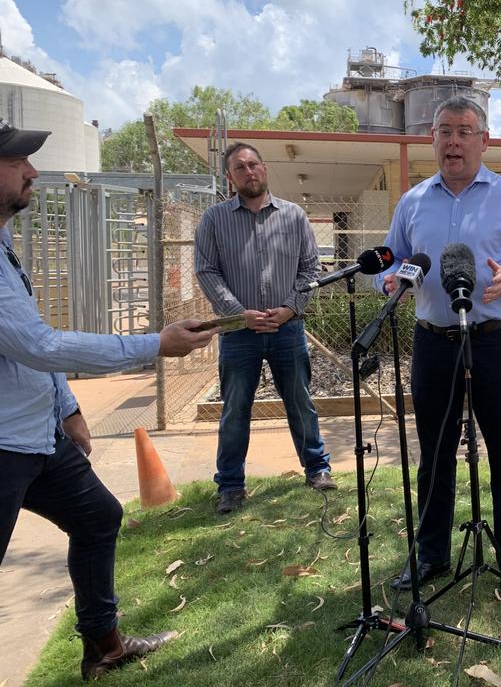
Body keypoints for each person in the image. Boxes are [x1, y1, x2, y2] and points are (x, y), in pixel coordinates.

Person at [0, 118, 218, 679]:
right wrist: (154, 344)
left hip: (36, 434)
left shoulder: (4, 244)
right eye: (16, 163)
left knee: (98, 517)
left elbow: (27, 342)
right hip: (3, 447)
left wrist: (65, 406)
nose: (31, 172)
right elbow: (39, 343)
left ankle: (105, 646)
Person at [379, 96, 501, 601]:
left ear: (484, 140)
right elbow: (390, 260)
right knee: (434, 456)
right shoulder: (412, 202)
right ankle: (431, 555)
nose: (454, 141)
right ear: (432, 140)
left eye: (464, 131)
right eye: (444, 131)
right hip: (433, 343)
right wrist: (390, 280)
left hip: (493, 342)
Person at [195, 142, 336, 515]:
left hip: (287, 330)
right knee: (235, 409)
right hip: (238, 333)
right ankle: (230, 485)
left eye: (253, 164)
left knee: (300, 402)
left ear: (265, 168)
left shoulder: (293, 216)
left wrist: (291, 308)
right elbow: (206, 271)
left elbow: (310, 269)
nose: (249, 172)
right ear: (230, 177)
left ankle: (317, 469)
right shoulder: (214, 219)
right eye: (239, 168)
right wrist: (240, 314)